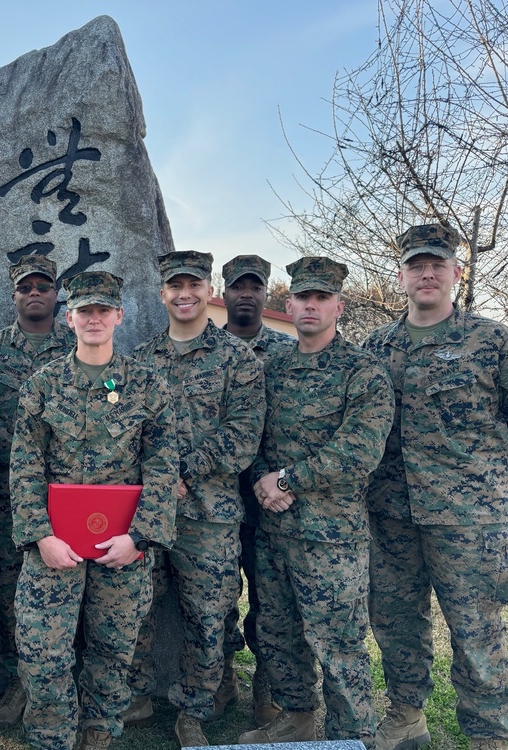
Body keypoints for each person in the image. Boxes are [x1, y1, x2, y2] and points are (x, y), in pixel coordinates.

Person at [363, 224, 508, 750]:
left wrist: (492, 479)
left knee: (476, 630)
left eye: (437, 264)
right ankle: (408, 717)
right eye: (416, 265)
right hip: (391, 512)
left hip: (470, 518)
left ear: (457, 272)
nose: (427, 273)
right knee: (394, 623)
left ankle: (489, 734)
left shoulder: (494, 341)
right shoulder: (376, 346)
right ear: (402, 277)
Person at [10, 270, 178, 750]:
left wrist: (140, 538)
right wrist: (41, 536)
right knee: (43, 654)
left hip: (122, 547)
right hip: (52, 546)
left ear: (120, 316)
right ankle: (52, 739)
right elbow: (24, 467)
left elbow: (163, 468)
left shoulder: (148, 385)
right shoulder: (41, 386)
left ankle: (99, 737)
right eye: (85, 310)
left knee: (112, 652)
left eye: (104, 310)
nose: (94, 318)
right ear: (70, 318)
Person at [238, 257, 394, 746]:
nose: (311, 305)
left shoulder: (363, 370)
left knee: (338, 640)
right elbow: (254, 430)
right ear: (290, 304)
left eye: (321, 298)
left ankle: (353, 734)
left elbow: (360, 448)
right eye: (303, 297)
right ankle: (297, 717)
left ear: (338, 306)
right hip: (275, 527)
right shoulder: (273, 365)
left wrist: (286, 481)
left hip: (331, 534)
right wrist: (266, 480)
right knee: (280, 632)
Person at [125, 251, 265, 747]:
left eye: (193, 284)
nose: (184, 294)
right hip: (145, 515)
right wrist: (159, 479)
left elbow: (245, 432)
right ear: (162, 293)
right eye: (175, 285)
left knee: (207, 616)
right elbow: (124, 432)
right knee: (134, 607)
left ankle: (195, 710)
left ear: (210, 290)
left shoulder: (237, 359)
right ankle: (136, 694)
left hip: (210, 516)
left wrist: (184, 470)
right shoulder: (139, 361)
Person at [0, 254, 76, 726]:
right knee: (11, 591)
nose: (34, 293)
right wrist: (28, 458)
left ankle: (66, 684)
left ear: (57, 294)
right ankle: (20, 680)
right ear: (13, 295)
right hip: (5, 499)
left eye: (43, 286)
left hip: (71, 498)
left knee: (74, 589)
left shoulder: (82, 347)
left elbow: (107, 407)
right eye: (25, 287)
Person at [219, 254, 293, 725]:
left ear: (267, 294)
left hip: (273, 499)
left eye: (255, 286)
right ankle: (221, 676)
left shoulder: (287, 352)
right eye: (238, 286)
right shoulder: (206, 347)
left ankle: (268, 688)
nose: (246, 293)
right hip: (221, 497)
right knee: (218, 595)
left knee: (271, 601)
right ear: (224, 293)